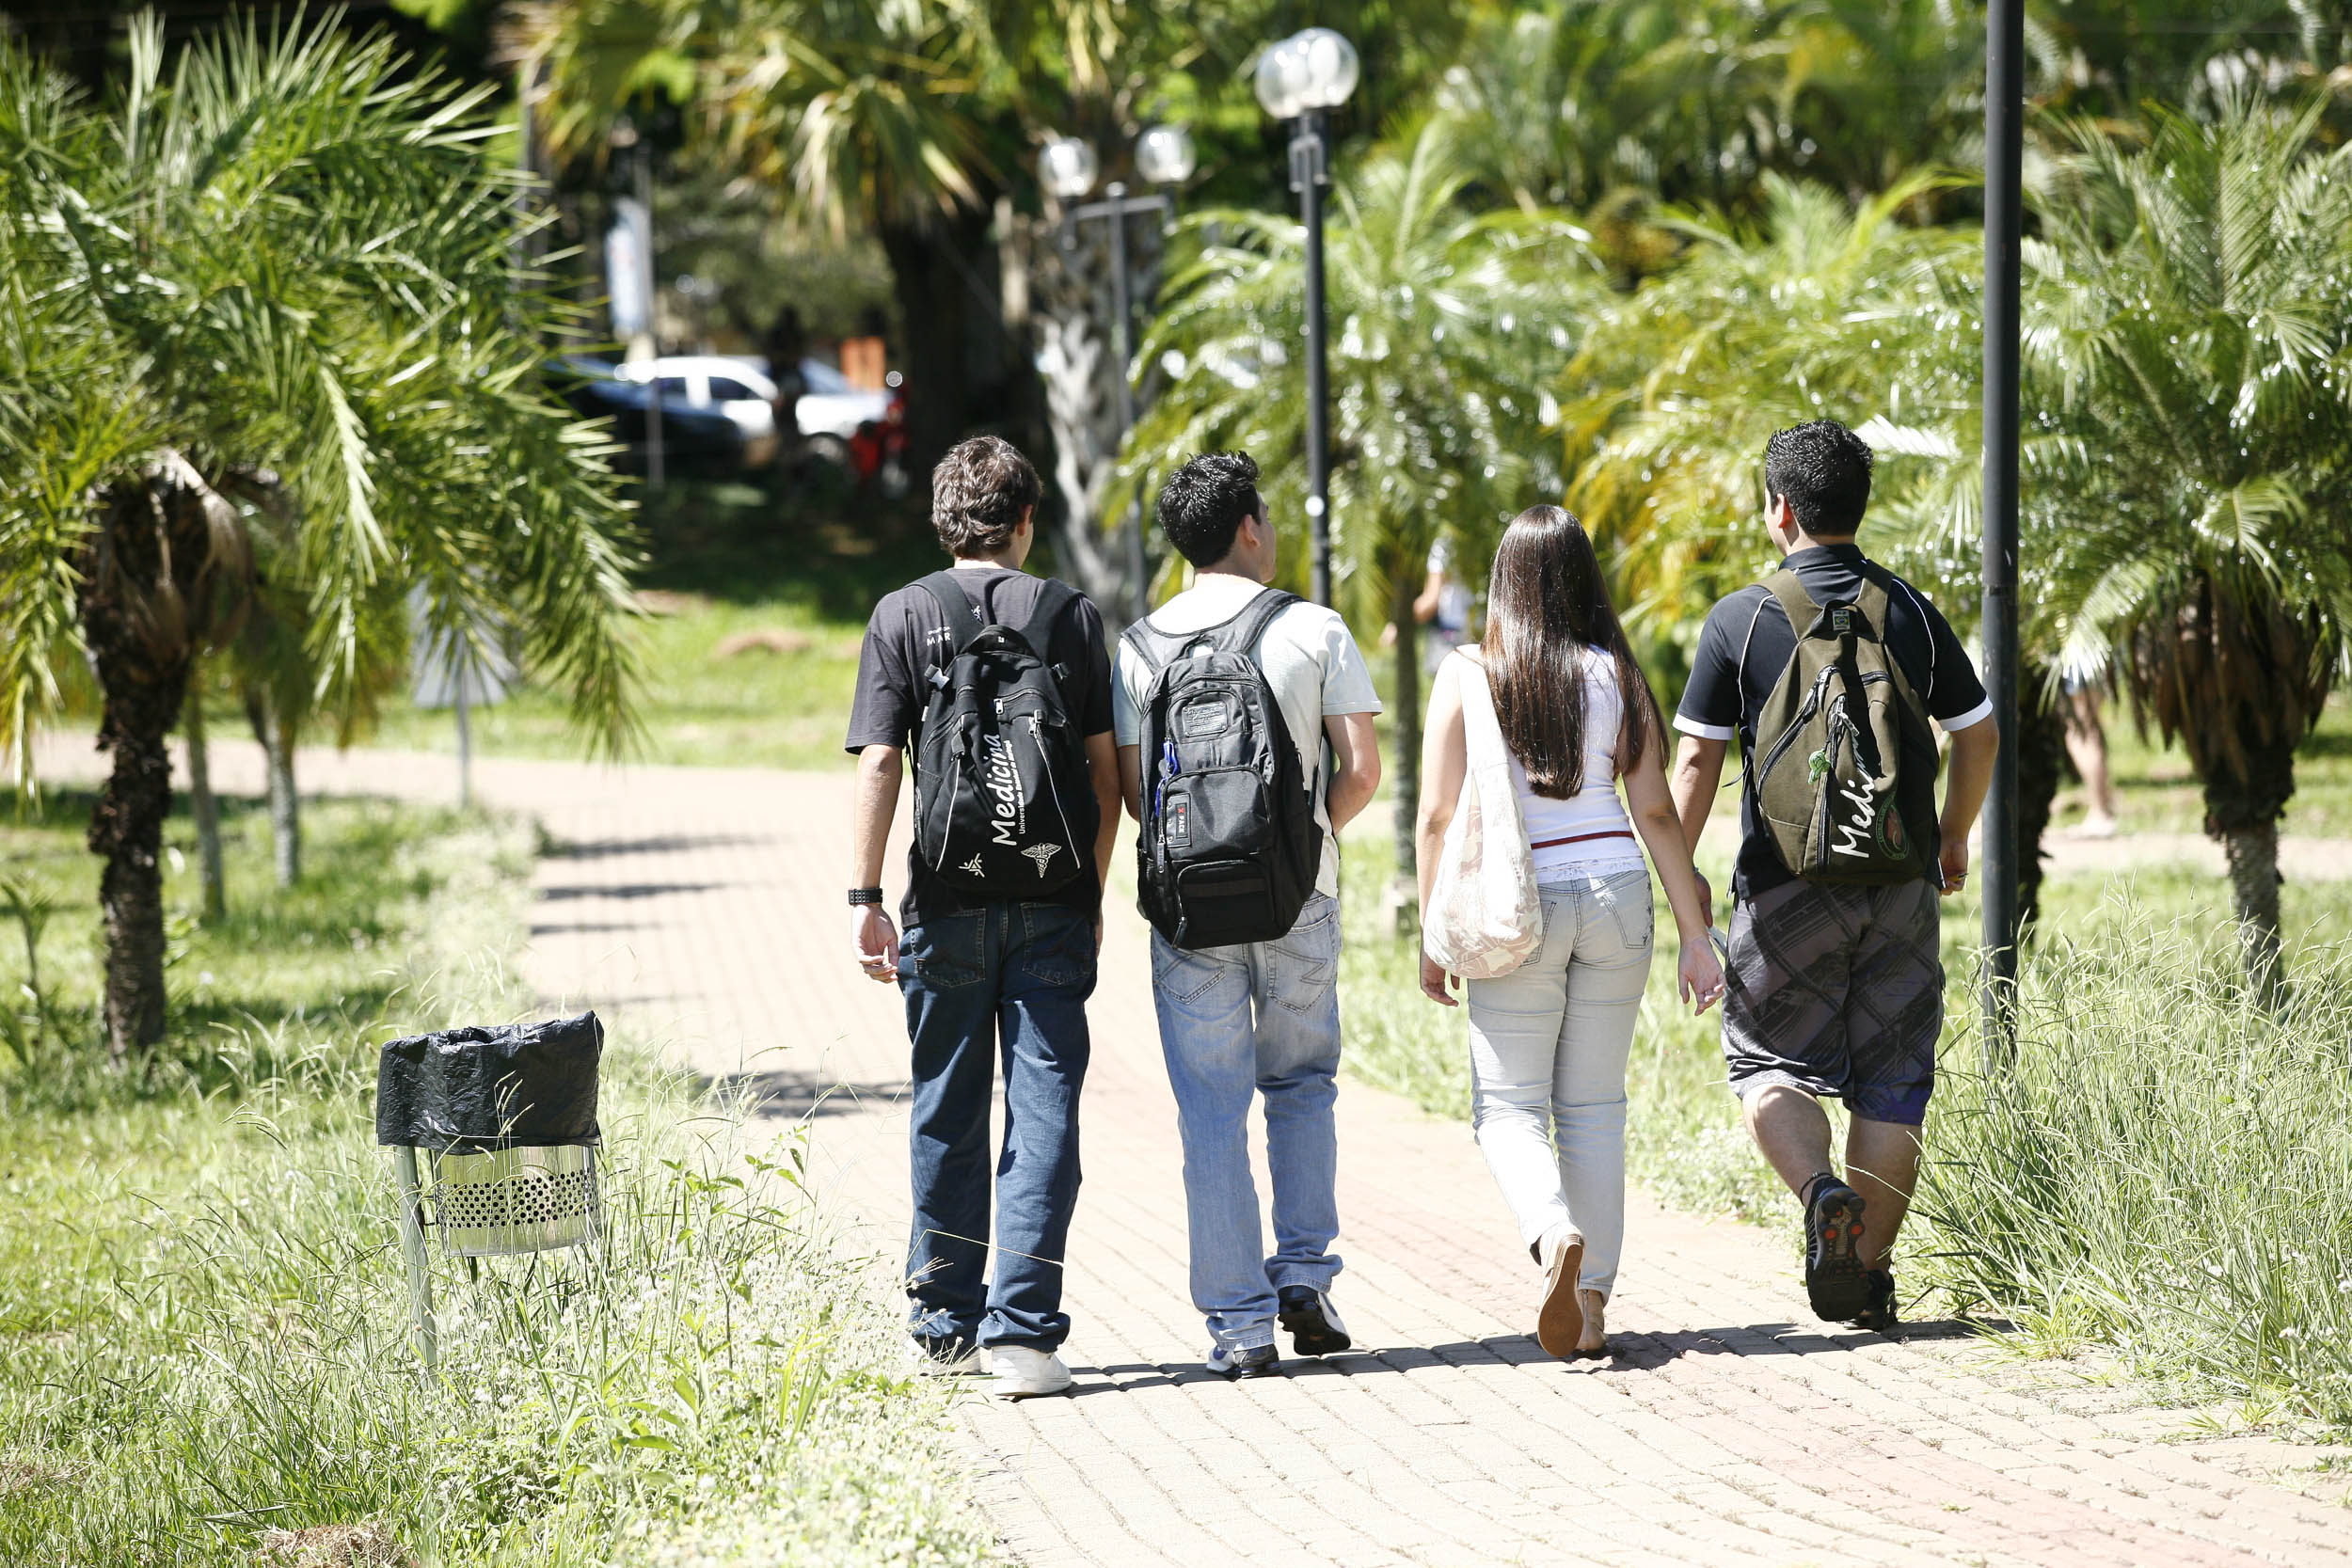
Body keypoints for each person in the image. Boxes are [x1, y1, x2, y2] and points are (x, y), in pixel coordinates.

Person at [1667, 420, 1997, 1333]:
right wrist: (1951, 835)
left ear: (1779, 508)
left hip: (1782, 890)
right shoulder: (1913, 612)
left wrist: (1680, 871)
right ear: (1859, 504)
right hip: (1898, 879)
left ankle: (1820, 1193)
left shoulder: (1741, 618)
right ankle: (1870, 1270)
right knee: (1892, 1083)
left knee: (1768, 1062)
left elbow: (1692, 765)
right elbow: (1978, 733)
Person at [845, 436, 1123, 1400]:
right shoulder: (1072, 617)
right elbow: (1106, 778)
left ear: (943, 519)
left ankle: (945, 1321)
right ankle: (1024, 1334)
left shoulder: (903, 612)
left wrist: (865, 896)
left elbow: (881, 762)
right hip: (1052, 904)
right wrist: (1087, 893)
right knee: (1042, 1112)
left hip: (944, 901)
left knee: (946, 1105)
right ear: (1026, 521)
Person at [1415, 507, 1725, 1361]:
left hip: (1518, 905)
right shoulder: (1614, 674)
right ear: (1584, 578)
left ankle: (1553, 1234)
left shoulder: (1470, 671)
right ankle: (1590, 1310)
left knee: (1508, 1106)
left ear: (1503, 582)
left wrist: (1431, 934)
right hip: (1619, 893)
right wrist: (1699, 937)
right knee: (1594, 1108)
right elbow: (1655, 811)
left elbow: (1439, 813)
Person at [1114, 451, 1382, 1379]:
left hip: (1190, 908)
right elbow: (1362, 769)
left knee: (1209, 1110)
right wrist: (1300, 841)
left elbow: (1139, 797)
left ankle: (1238, 1323)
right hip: (1301, 895)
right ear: (1249, 528)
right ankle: (1304, 1274)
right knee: (1302, 1083)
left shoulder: (1137, 644)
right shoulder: (1314, 627)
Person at [2060, 673, 2120, 837]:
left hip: (2079, 661)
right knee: (2087, 730)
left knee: (2082, 733)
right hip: (2096, 660)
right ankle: (2101, 809)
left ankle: (2101, 813)